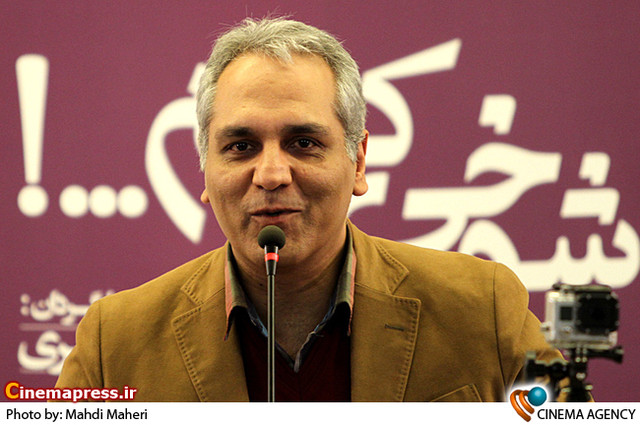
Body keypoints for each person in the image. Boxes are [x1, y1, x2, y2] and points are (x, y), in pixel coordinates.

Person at [55, 17, 560, 402]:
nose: (271, 174)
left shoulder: (483, 309)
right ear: (205, 170)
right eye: (240, 147)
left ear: (358, 161)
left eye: (303, 143)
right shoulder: (114, 343)